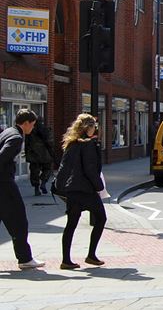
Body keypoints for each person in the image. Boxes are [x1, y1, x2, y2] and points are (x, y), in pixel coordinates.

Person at [55, 114, 107, 269]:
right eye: (94, 127)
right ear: (88, 128)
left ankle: (66, 260)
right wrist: (99, 187)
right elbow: (90, 169)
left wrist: (60, 186)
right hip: (86, 190)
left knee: (71, 224)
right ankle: (91, 255)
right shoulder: (88, 145)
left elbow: (64, 167)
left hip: (72, 190)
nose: (95, 130)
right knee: (101, 218)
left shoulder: (71, 143)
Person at [0, 109, 45, 269]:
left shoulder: (7, 132)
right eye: (32, 124)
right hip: (4, 185)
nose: (33, 127)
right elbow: (2, 158)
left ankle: (25, 258)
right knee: (19, 221)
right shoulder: (16, 138)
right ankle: (25, 259)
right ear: (26, 123)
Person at [25, 116, 54, 196]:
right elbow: (50, 143)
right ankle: (43, 182)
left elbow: (27, 143)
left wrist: (27, 153)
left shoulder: (30, 131)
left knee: (34, 172)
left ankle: (36, 188)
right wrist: (52, 153)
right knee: (47, 169)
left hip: (34, 155)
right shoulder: (46, 130)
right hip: (45, 154)